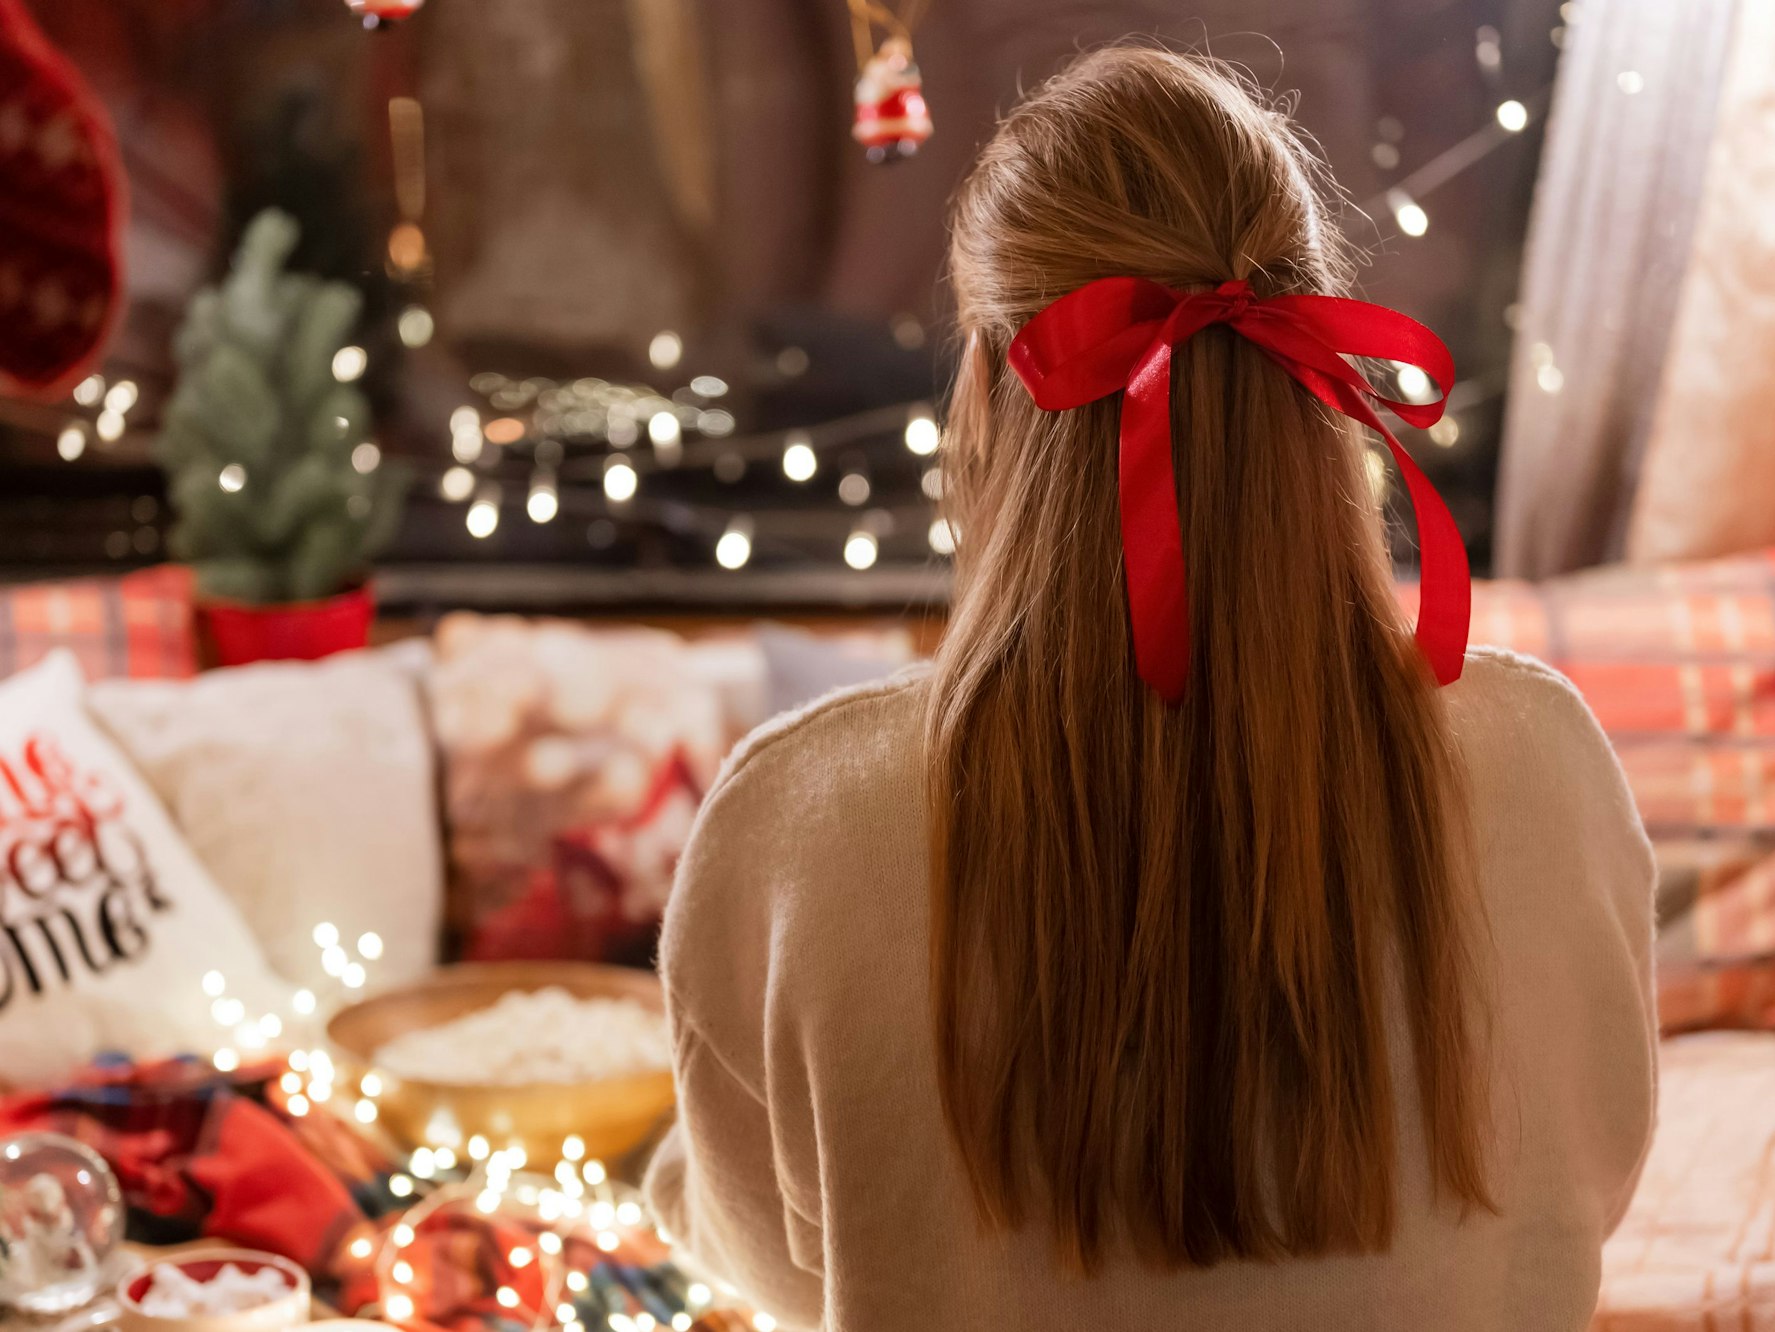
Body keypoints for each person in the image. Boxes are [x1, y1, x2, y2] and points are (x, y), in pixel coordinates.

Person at [643, 46, 1655, 1331]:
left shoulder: (796, 826)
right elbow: (1588, 1184)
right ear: (1319, 384)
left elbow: (782, 1259)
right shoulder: (1546, 766)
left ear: (986, 393)